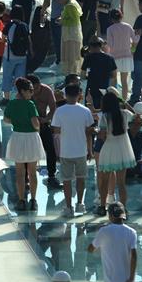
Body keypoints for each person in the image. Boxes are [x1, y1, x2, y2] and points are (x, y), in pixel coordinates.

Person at [52, 84, 94, 217]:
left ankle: (68, 206)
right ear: (79, 95)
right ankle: (80, 204)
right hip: (81, 150)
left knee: (67, 180)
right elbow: (89, 133)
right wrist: (90, 150)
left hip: (65, 151)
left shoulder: (59, 111)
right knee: (81, 179)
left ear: (65, 95)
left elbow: (56, 133)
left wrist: (57, 152)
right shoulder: (85, 111)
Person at [87, 202, 137, 282]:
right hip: (127, 280)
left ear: (110, 216)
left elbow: (90, 249)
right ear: (123, 215)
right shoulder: (132, 232)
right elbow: (134, 256)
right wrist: (131, 279)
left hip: (110, 280)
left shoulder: (104, 231)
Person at [4, 77, 45, 210]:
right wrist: (38, 127)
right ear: (23, 91)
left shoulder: (12, 103)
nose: (32, 93)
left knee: (20, 173)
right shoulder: (30, 104)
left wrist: (17, 122)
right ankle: (33, 200)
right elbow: (35, 123)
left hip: (17, 137)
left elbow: (6, 119)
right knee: (32, 172)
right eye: (30, 91)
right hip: (31, 138)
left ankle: (21, 200)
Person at [97, 92, 137, 215]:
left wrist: (97, 133)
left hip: (109, 149)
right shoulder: (125, 114)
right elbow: (136, 116)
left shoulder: (104, 117)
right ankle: (123, 208)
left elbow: (102, 136)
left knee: (105, 181)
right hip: (123, 150)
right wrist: (125, 103)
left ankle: (102, 206)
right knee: (121, 182)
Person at [26, 74, 59, 190]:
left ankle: (51, 175)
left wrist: (46, 119)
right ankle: (26, 178)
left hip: (44, 123)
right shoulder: (24, 93)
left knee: (50, 150)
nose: (35, 91)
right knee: (28, 152)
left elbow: (54, 108)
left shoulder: (47, 91)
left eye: (37, 88)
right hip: (29, 125)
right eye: (32, 89)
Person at [43, 0, 74, 64]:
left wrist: (42, 11)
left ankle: (60, 60)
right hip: (69, 14)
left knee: (58, 39)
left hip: (56, 15)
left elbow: (47, 1)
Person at [105, 9, 137, 102]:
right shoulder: (128, 26)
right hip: (127, 56)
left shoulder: (110, 29)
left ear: (111, 18)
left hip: (114, 57)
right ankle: (124, 100)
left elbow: (110, 44)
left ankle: (112, 99)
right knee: (124, 81)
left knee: (113, 79)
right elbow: (135, 40)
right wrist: (138, 35)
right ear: (121, 16)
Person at [0, 6, 31, 102]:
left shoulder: (9, 25)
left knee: (7, 76)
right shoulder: (25, 25)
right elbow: (29, 40)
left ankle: (6, 98)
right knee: (20, 79)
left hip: (10, 56)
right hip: (22, 56)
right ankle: (20, 98)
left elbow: (3, 39)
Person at [83, 37, 118, 111]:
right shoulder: (110, 58)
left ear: (91, 46)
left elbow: (82, 75)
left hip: (91, 90)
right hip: (105, 89)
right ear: (101, 46)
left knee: (90, 112)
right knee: (104, 112)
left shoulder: (88, 57)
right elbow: (114, 76)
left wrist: (88, 76)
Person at [56, 0, 84, 76]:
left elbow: (74, 21)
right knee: (73, 56)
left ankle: (72, 74)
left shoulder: (70, 6)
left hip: (71, 34)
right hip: (71, 34)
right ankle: (72, 73)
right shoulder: (71, 3)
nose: (58, 2)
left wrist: (61, 22)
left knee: (71, 56)